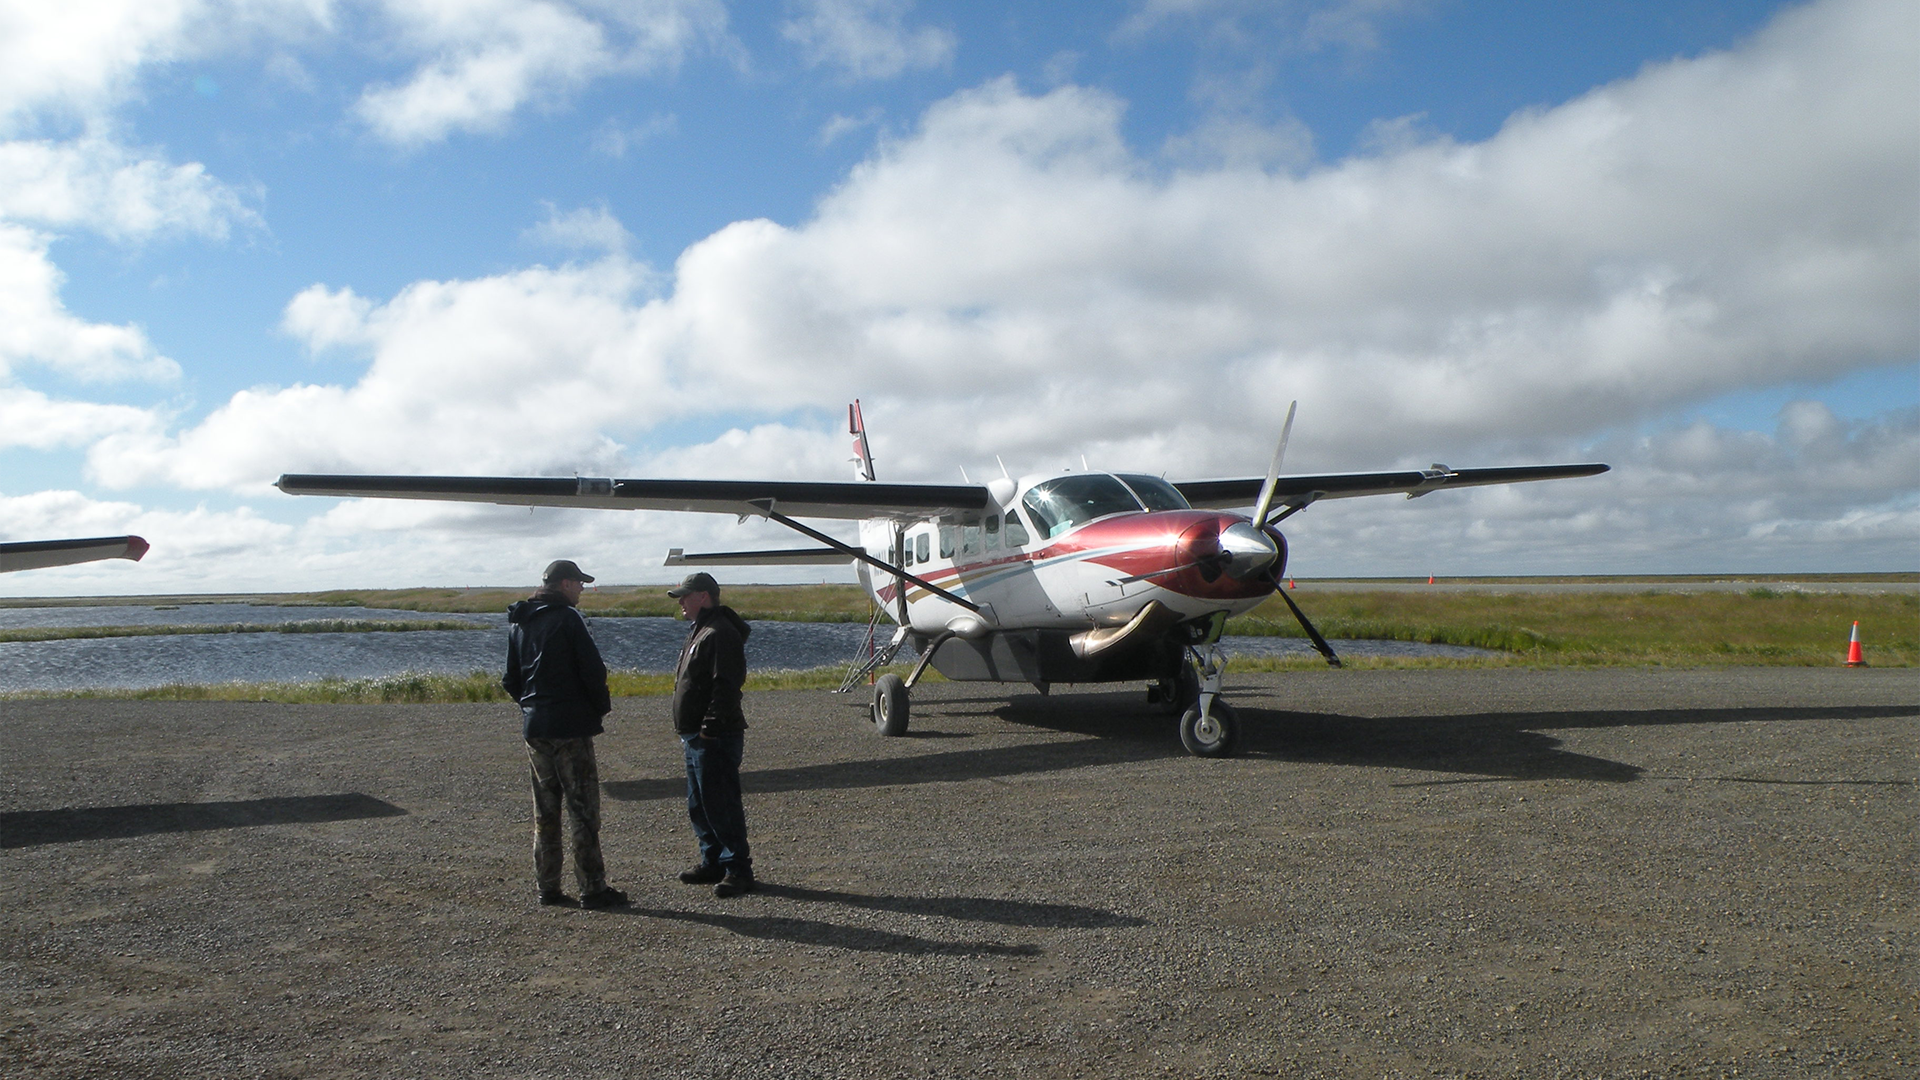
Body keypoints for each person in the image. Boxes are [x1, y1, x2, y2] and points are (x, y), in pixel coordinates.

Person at [504, 559, 627, 909]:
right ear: (565, 583)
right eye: (580, 583)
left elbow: (511, 678)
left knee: (545, 810)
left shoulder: (521, 620)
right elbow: (592, 669)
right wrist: (597, 707)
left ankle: (548, 886)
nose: (583, 590)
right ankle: (592, 887)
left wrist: (530, 706)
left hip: (536, 726)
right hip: (569, 726)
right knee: (583, 808)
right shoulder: (569, 618)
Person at [667, 571, 755, 897]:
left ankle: (738, 869)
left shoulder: (720, 632)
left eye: (685, 597)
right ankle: (713, 861)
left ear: (703, 596)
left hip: (714, 737)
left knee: (721, 804)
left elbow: (727, 685)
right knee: (700, 804)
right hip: (695, 737)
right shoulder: (702, 630)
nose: (681, 604)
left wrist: (709, 728)